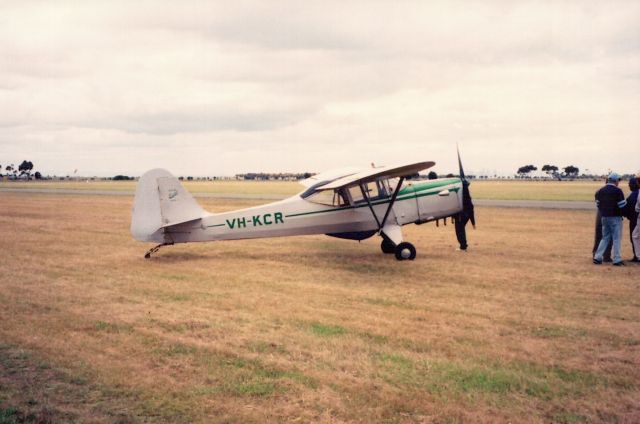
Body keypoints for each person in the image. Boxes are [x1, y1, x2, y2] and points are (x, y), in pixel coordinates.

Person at [593, 172, 627, 266]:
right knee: (616, 238)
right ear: (616, 181)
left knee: (605, 238)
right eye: (618, 180)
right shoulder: (618, 191)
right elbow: (622, 205)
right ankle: (617, 259)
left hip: (604, 217)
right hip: (615, 217)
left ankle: (597, 257)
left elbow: (598, 204)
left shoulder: (600, 191)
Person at [454, 180, 475, 250]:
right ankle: (463, 245)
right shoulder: (466, 193)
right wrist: (473, 222)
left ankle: (463, 246)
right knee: (461, 229)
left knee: (459, 230)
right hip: (467, 214)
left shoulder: (461, 194)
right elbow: (471, 207)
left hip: (462, 214)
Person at [622, 177, 639, 262]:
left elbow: (627, 208)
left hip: (635, 220)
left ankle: (637, 256)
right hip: (635, 218)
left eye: (630, 184)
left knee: (634, 238)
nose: (629, 185)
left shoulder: (633, 196)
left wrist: (626, 215)